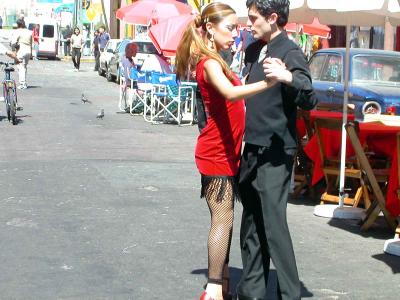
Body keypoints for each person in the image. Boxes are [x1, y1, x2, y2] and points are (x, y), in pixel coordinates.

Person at [175, 2, 286, 300]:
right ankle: (213, 289)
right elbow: (230, 93)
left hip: (226, 151)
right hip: (215, 152)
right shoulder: (210, 63)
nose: (236, 33)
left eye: (237, 27)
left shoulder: (216, 59)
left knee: (225, 217)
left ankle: (221, 283)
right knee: (222, 219)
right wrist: (267, 82)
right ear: (210, 28)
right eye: (230, 27)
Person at [236, 1, 318, 300]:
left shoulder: (290, 51)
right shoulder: (254, 50)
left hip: (276, 151)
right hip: (252, 147)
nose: (249, 22)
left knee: (273, 224)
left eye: (254, 17)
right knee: (252, 223)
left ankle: (288, 293)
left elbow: (309, 97)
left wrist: (288, 77)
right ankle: (252, 290)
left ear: (273, 18)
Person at [11, 19, 32, 90]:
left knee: (20, 66)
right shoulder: (29, 32)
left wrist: (13, 49)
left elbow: (13, 42)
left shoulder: (17, 31)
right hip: (28, 49)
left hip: (21, 49)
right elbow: (31, 42)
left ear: (18, 25)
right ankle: (24, 82)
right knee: (24, 66)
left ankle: (22, 83)